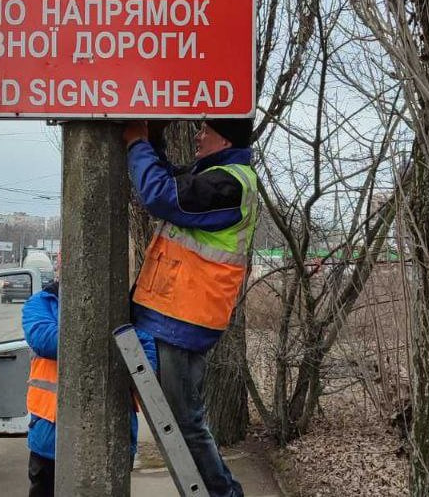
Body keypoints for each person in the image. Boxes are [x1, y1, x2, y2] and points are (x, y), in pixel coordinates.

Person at [122, 119, 258, 497]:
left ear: (225, 139)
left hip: (182, 319)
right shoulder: (212, 177)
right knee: (180, 420)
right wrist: (153, 138)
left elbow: (162, 195)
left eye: (205, 131)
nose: (198, 136)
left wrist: (136, 142)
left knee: (185, 423)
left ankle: (223, 494)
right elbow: (170, 180)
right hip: (172, 315)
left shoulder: (230, 183)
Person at [22, 279, 157, 497]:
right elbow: (45, 340)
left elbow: (145, 355)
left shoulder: (124, 305)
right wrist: (107, 335)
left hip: (112, 435)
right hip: (51, 440)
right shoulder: (43, 302)